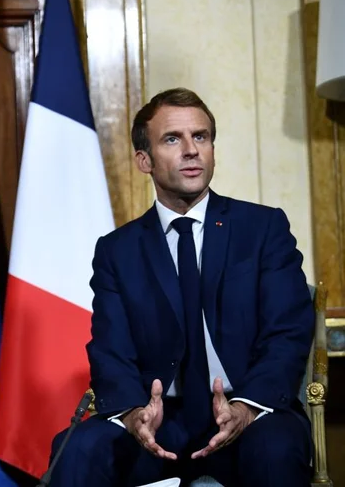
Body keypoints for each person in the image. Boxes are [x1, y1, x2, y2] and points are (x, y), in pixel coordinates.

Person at [50, 88, 314, 486]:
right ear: (144, 160)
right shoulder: (117, 251)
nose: (192, 150)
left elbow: (288, 331)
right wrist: (133, 415)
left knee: (276, 449)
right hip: (159, 422)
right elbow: (110, 350)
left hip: (249, 412)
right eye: (173, 139)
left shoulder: (263, 229)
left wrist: (246, 408)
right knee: (77, 450)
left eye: (201, 137)